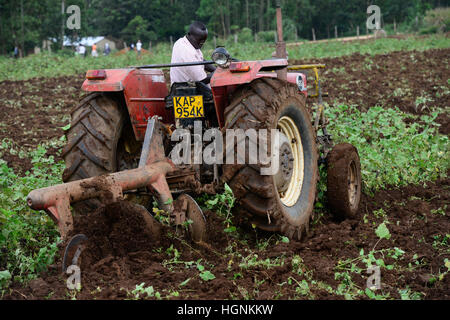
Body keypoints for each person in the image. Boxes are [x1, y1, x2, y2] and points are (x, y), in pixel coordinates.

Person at [170, 21, 216, 87]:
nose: (202, 43)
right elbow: (202, 80)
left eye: (204, 40)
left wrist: (216, 70)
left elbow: (201, 61)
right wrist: (218, 73)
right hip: (185, 91)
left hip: (190, 86)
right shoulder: (186, 51)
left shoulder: (184, 42)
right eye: (199, 40)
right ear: (189, 34)